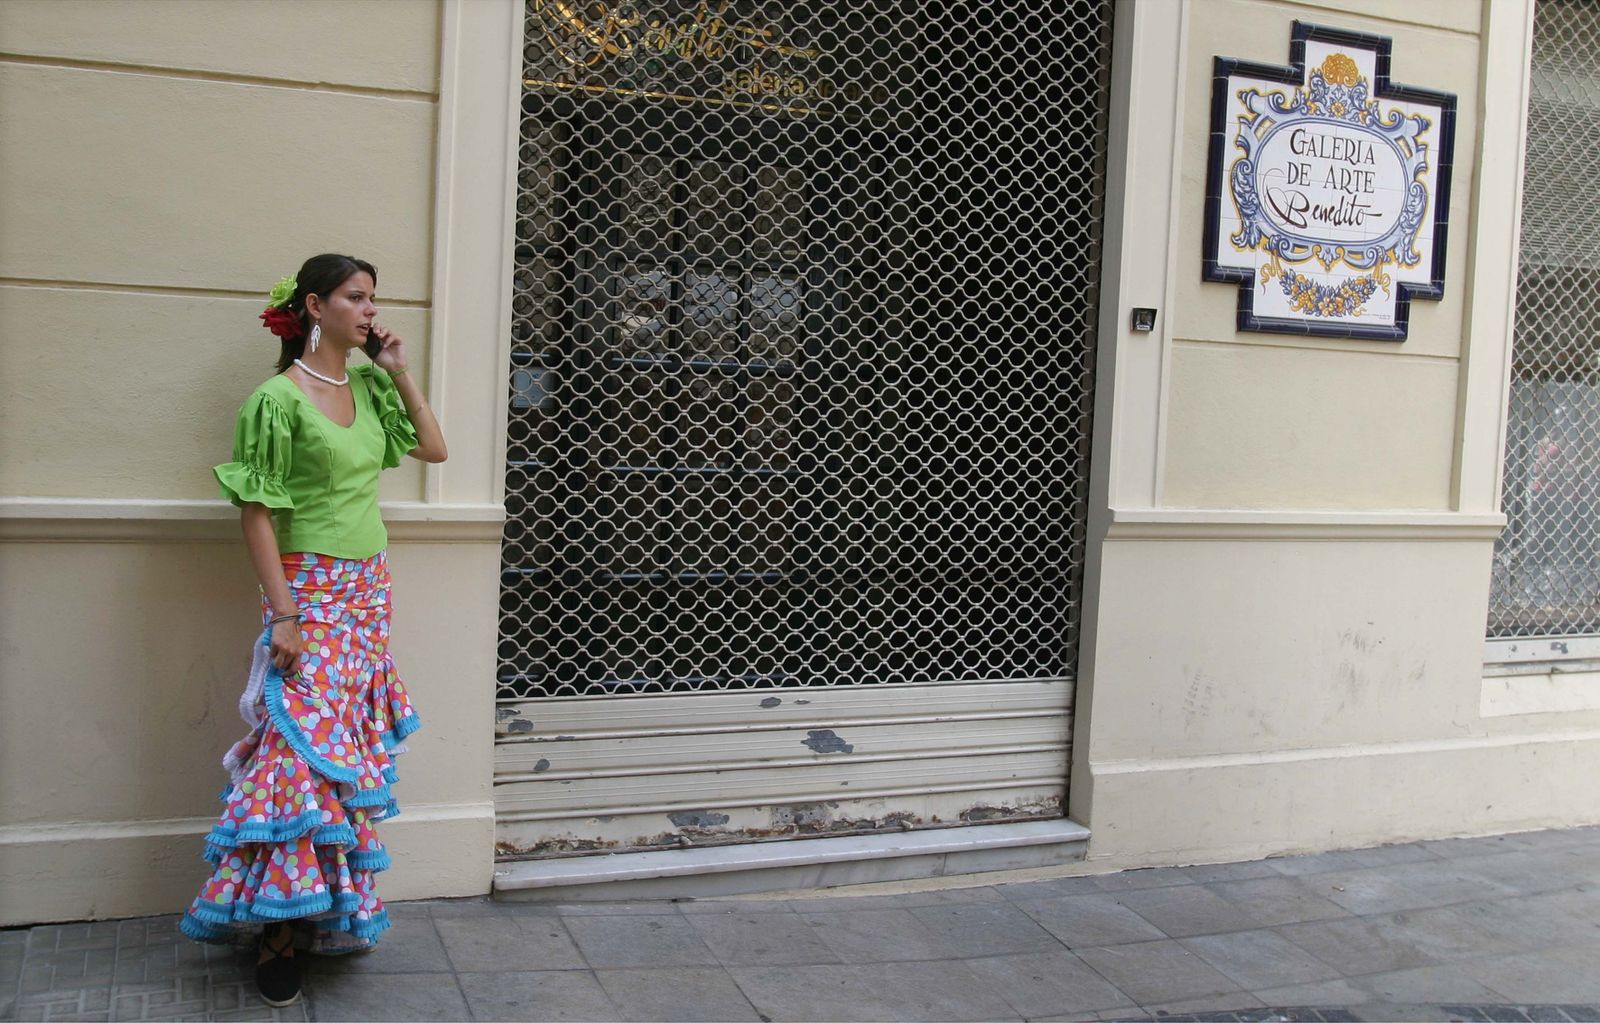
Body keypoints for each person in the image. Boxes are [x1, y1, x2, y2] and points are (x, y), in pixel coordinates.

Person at [178, 254, 448, 1007]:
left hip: (367, 591)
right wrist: (285, 612)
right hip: (311, 591)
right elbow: (255, 511)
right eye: (356, 298)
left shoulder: (365, 382)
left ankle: (324, 910)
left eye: (372, 298)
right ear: (314, 305)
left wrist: (396, 369)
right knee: (296, 754)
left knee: (341, 753)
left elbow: (434, 449)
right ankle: (275, 929)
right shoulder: (274, 399)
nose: (369, 310)